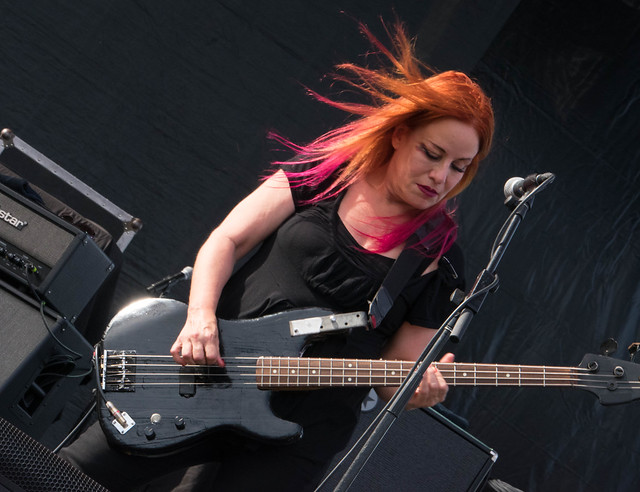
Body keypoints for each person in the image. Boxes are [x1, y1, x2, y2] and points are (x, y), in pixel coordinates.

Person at [59, 21, 494, 491]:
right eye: (432, 153)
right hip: (207, 375)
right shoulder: (328, 175)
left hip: (299, 434)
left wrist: (418, 389)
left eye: (459, 167)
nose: (441, 176)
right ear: (400, 134)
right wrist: (200, 318)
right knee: (61, 475)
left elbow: (394, 374)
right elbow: (229, 239)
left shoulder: (440, 259)